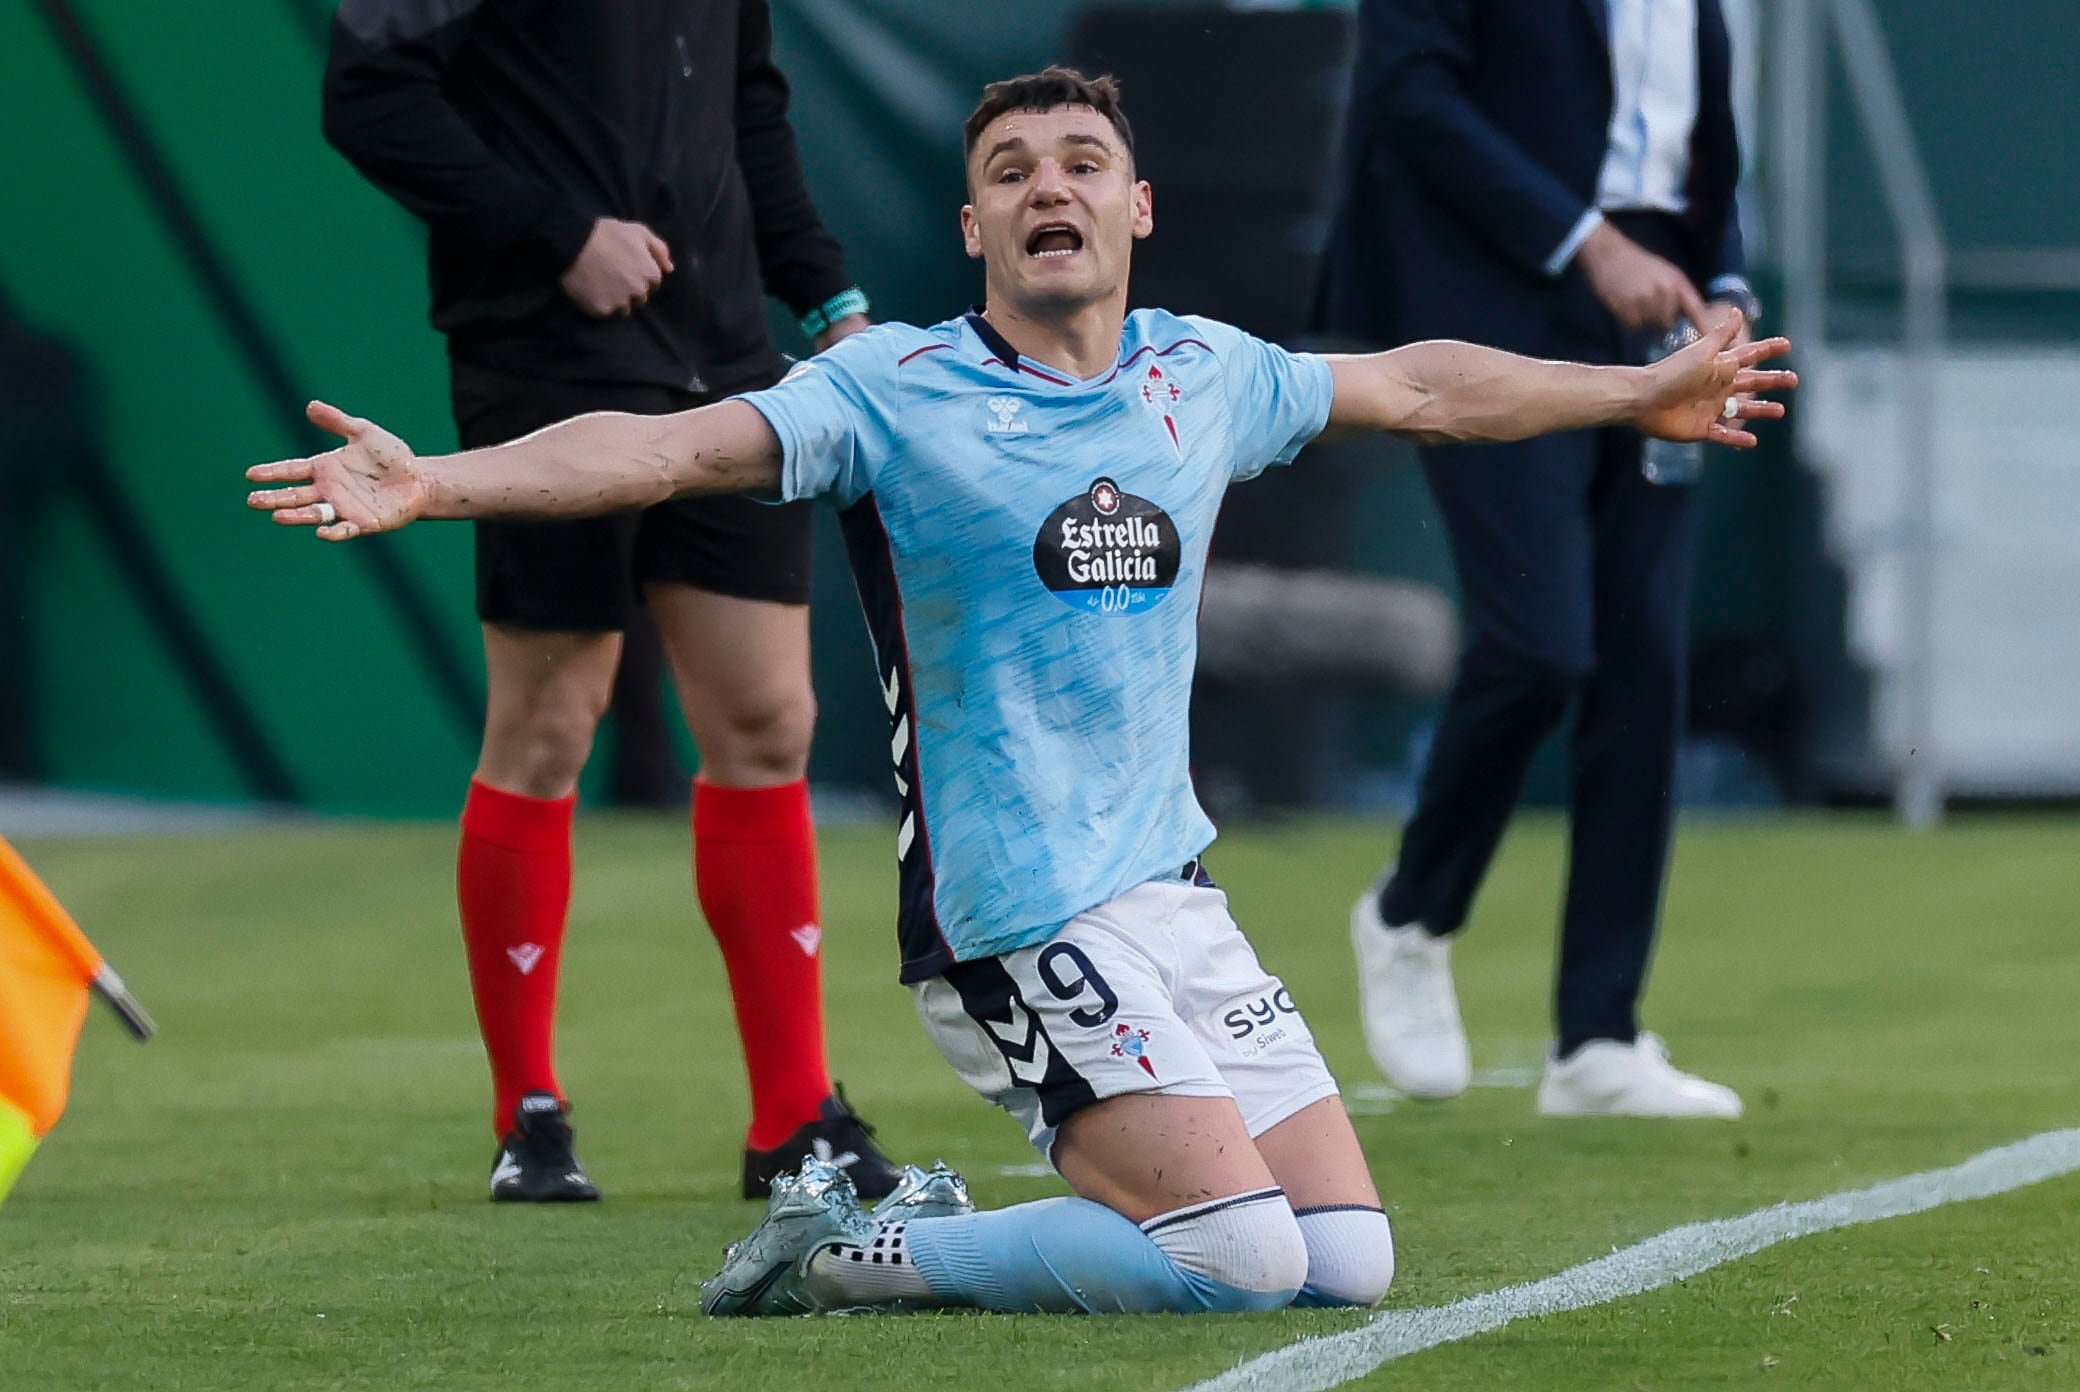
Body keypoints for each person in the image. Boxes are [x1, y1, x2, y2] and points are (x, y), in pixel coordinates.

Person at [250, 68, 1792, 1315]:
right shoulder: (891, 392)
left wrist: (1636, 389)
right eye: (1009, 170)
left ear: (1136, 206)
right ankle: (865, 1248)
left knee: (1347, 1264)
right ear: (975, 226)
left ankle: (930, 1219)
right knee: (1237, 1260)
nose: (1046, 185)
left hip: (1170, 901)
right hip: (1011, 919)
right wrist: (433, 481)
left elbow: (1425, 385)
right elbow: (654, 449)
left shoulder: (1204, 373)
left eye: (1077, 161)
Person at [319, 0, 901, 1202]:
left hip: (729, 362)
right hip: (547, 357)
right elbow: (367, 98)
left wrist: (830, 299)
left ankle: (796, 1118)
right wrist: (558, 234)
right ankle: (526, 1111)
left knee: (767, 721)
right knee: (549, 722)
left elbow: (750, 108)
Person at [1315, 0, 1763, 1116]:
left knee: (1642, 663)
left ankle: (1598, 1040)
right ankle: (1412, 911)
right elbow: (1408, 96)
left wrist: (1728, 289)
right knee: (1538, 643)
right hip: (1489, 304)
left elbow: (1703, 149)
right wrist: (1586, 241)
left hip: (1661, 311)